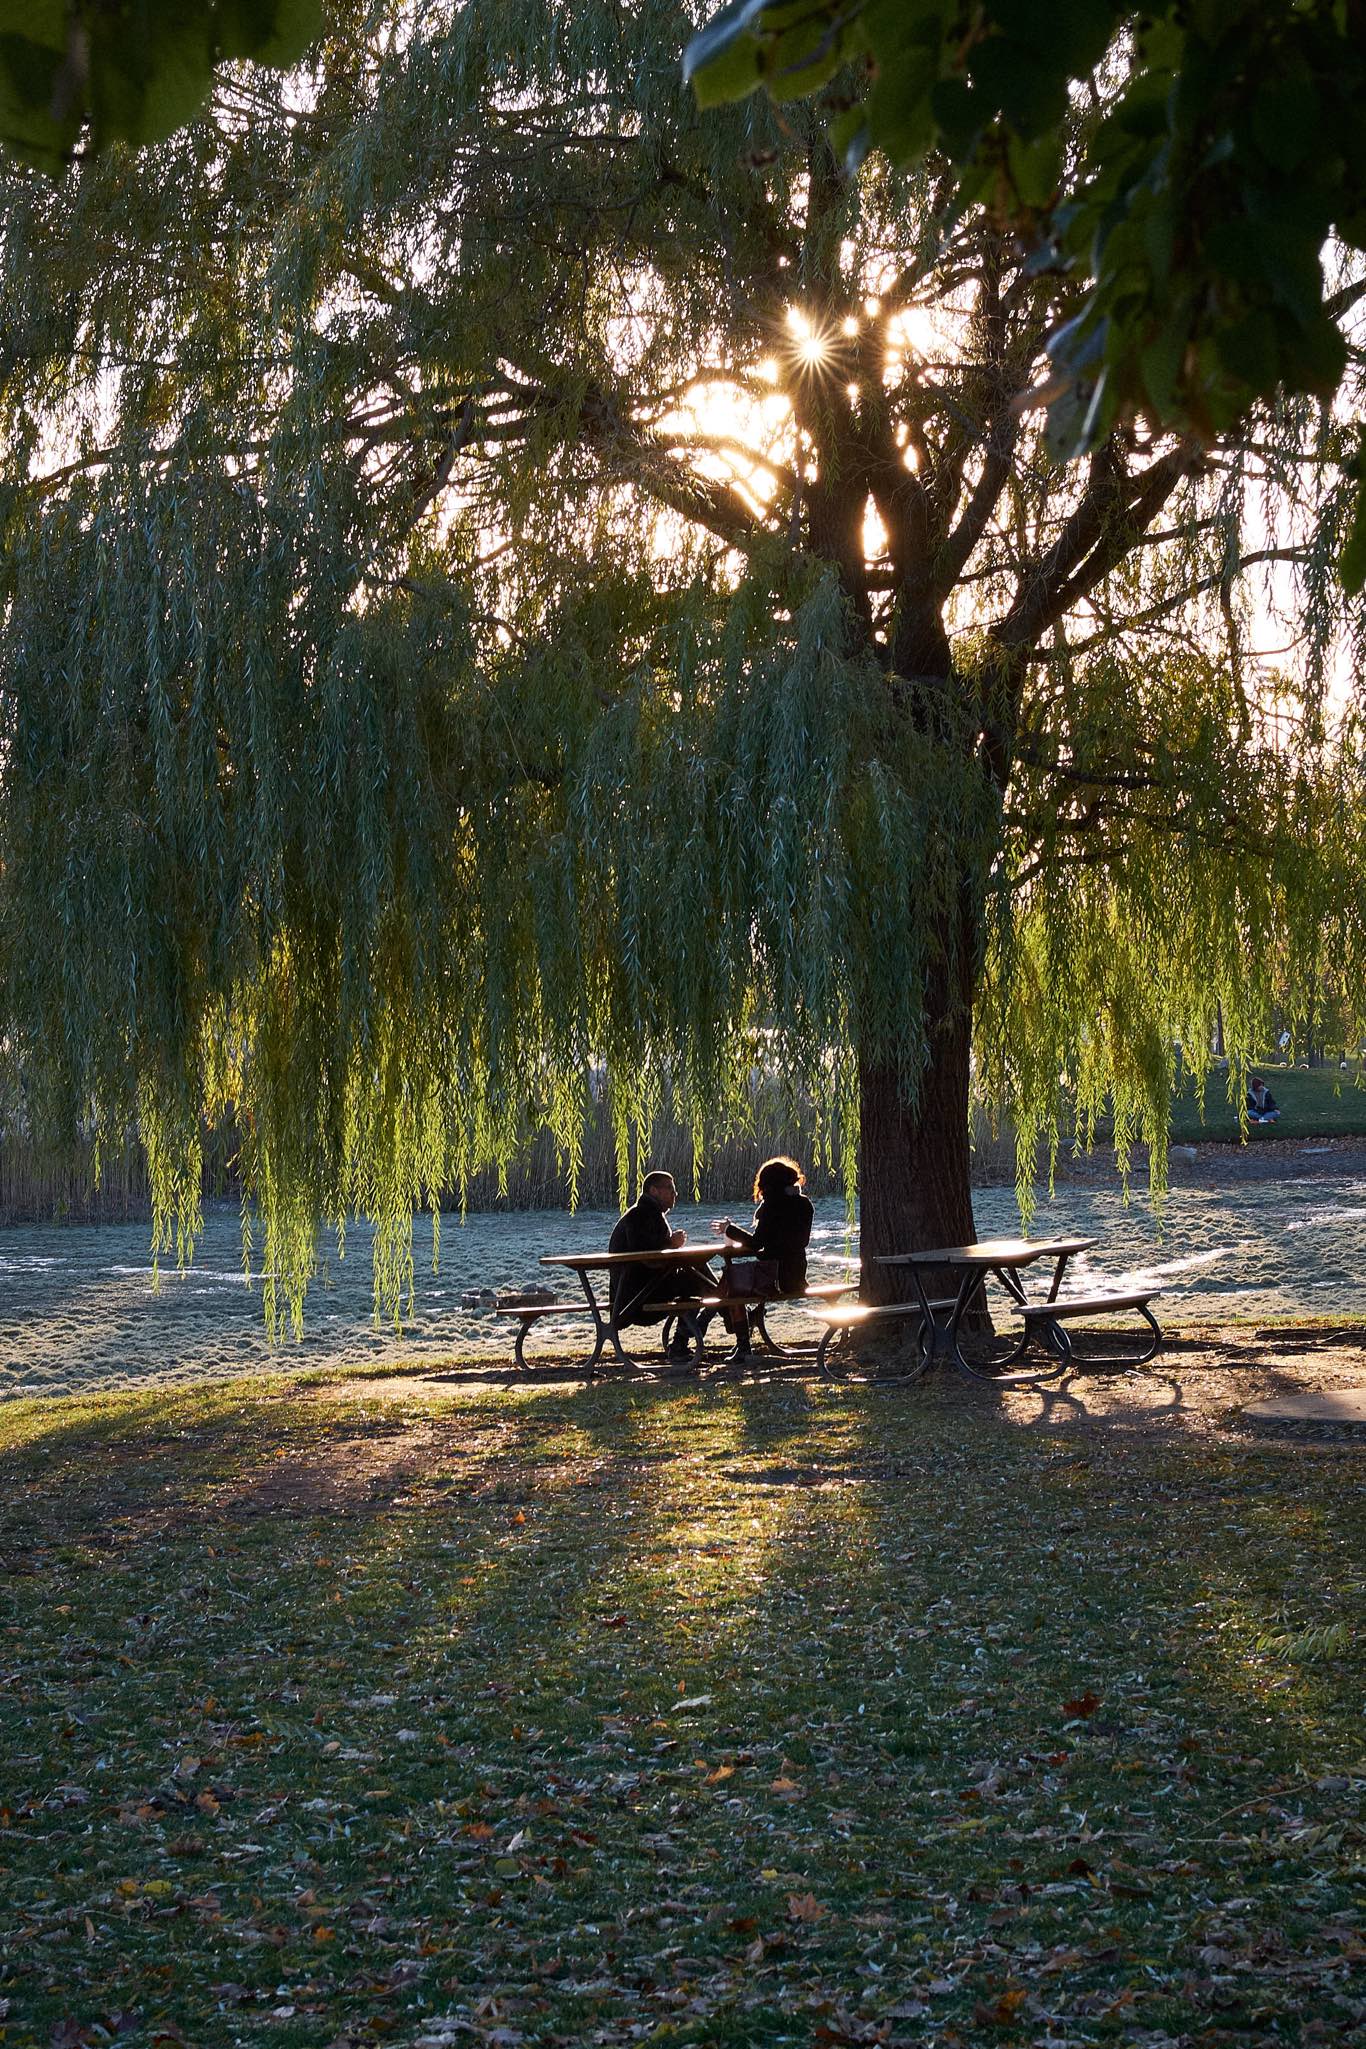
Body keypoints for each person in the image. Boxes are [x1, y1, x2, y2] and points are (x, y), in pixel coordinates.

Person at [715, 1156, 814, 1359]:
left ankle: (741, 1343)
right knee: (731, 1282)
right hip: (797, 1276)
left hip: (775, 1277)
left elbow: (756, 1243)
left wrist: (729, 1229)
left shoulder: (772, 1207)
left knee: (731, 1286)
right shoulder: (804, 1205)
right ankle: (746, 1321)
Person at [608, 1170, 712, 1362]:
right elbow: (648, 1258)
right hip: (634, 1298)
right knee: (698, 1282)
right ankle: (727, 1309)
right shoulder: (640, 1215)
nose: (675, 1194)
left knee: (698, 1273)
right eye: (670, 1189)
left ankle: (725, 1305)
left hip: (644, 1289)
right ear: (654, 1191)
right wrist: (671, 1244)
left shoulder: (649, 1214)